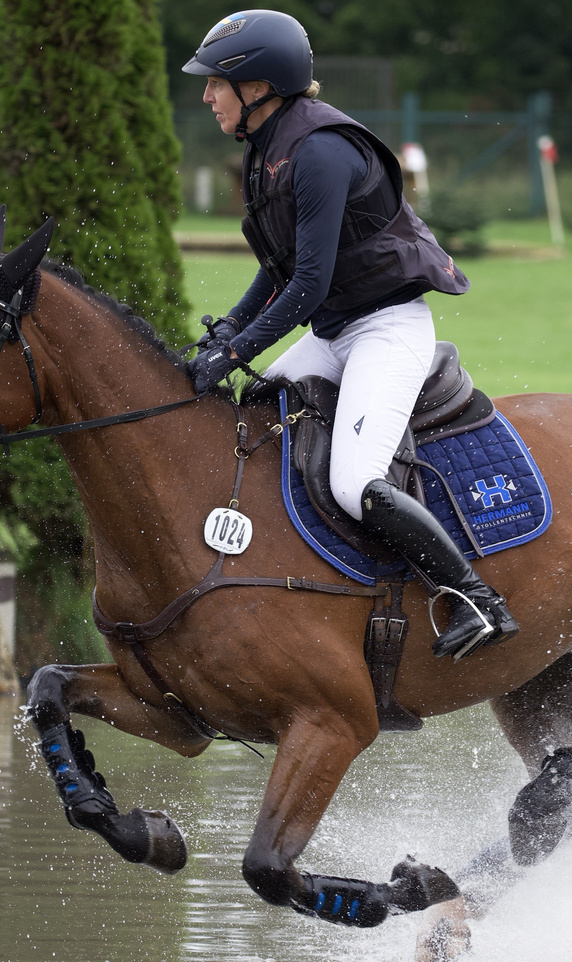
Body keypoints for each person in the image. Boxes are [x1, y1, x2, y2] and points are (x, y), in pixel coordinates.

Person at [182, 9, 519, 660]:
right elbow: (275, 273)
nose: (206, 96)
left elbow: (307, 284)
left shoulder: (319, 151)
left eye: (216, 83)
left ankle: (477, 599)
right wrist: (224, 334)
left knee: (353, 481)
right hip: (335, 332)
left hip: (385, 331)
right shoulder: (265, 150)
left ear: (258, 88)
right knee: (250, 419)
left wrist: (234, 352)